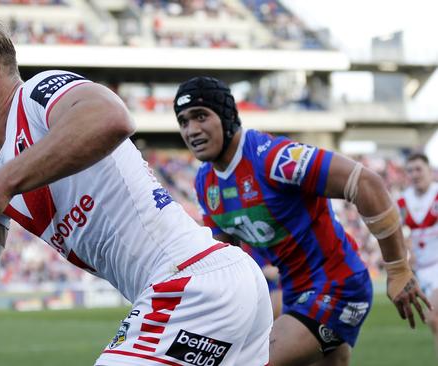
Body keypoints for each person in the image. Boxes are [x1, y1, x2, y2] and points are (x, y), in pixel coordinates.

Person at [0, 14, 273, 365]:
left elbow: (112, 118)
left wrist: (1, 183)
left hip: (190, 281)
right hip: (208, 286)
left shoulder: (37, 95)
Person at [173, 76, 430, 366]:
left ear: (227, 115)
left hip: (338, 287)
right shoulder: (205, 183)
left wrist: (397, 269)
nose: (191, 130)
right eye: (183, 121)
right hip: (294, 291)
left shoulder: (273, 158)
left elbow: (366, 183)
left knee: (249, 360)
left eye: (201, 116)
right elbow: (223, 260)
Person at [398, 152, 438, 360]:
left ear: (429, 171)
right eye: (410, 170)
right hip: (421, 270)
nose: (415, 174)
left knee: (434, 318)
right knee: (434, 325)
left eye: (418, 169)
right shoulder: (404, 201)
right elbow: (400, 231)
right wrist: (408, 250)